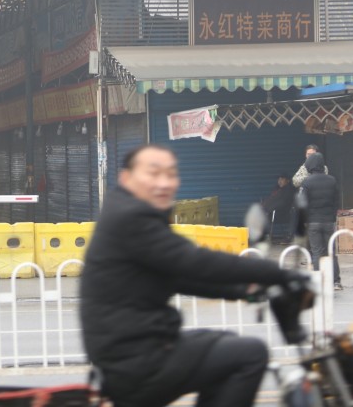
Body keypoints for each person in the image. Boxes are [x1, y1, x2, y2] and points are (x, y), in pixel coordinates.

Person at [81, 144, 308, 407]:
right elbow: (195, 262)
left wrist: (243, 291)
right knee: (251, 355)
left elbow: (177, 277)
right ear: (126, 178)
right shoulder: (131, 219)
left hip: (132, 353)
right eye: (153, 174)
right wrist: (276, 273)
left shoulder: (125, 212)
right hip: (137, 361)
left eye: (171, 174)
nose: (164, 183)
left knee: (226, 346)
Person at [299, 151, 342, 290]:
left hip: (313, 222)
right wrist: (332, 216)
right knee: (331, 252)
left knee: (316, 252)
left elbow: (303, 204)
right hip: (329, 222)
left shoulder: (307, 182)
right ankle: (336, 282)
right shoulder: (332, 180)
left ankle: (318, 281)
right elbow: (336, 201)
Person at [263, 174, 296, 238]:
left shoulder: (289, 191)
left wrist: (269, 209)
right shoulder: (278, 189)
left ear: (288, 181)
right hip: (271, 211)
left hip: (282, 214)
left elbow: (282, 203)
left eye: (282, 179)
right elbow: (271, 199)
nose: (279, 181)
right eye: (279, 179)